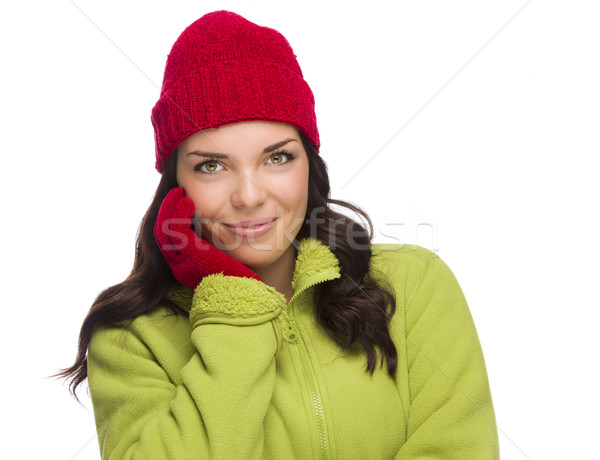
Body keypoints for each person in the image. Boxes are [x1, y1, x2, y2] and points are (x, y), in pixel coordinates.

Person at [59, 10, 500, 459]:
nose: (249, 196)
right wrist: (234, 308)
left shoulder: (413, 284)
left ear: (309, 164)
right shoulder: (130, 338)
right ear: (177, 184)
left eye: (277, 158)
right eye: (211, 165)